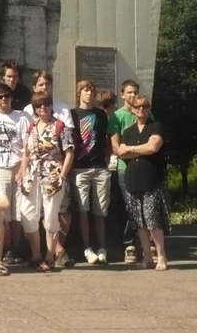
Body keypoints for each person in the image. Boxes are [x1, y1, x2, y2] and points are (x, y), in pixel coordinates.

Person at [16, 92, 74, 272]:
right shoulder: (32, 126)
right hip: (32, 176)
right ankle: (36, 255)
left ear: (51, 106)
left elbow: (69, 152)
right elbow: (27, 153)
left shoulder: (60, 126)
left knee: (50, 218)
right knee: (27, 215)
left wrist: (62, 175)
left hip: (52, 175)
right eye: (38, 105)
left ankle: (49, 257)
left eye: (46, 104)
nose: (42, 108)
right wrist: (22, 173)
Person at [114, 94, 169, 271]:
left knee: (153, 221)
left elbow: (154, 147)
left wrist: (131, 149)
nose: (141, 109)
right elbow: (121, 153)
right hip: (132, 180)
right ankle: (147, 257)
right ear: (133, 109)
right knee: (139, 222)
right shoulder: (128, 131)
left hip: (151, 179)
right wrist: (142, 149)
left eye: (145, 106)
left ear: (149, 108)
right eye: (137, 106)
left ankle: (161, 257)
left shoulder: (156, 126)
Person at [70, 80, 111, 265]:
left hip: (100, 168)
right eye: (85, 90)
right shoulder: (72, 114)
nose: (89, 93)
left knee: (101, 210)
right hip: (80, 168)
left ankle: (102, 248)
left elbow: (107, 139)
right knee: (83, 210)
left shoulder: (100, 114)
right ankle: (87, 248)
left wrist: (108, 159)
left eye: (91, 90)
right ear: (79, 93)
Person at [0, 82, 26, 265]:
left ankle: (16, 248)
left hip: (18, 165)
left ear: (11, 97)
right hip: (0, 166)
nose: (3, 100)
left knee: (18, 211)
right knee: (4, 210)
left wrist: (23, 169)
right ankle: (5, 248)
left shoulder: (21, 118)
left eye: (6, 96)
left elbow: (26, 146)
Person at [109, 79, 143, 263]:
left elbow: (153, 142)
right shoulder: (117, 116)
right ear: (122, 95)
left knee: (144, 205)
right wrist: (138, 152)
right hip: (125, 168)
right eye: (129, 92)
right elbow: (116, 147)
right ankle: (129, 244)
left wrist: (131, 150)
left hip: (143, 167)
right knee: (130, 206)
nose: (133, 95)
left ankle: (144, 243)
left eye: (135, 92)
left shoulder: (144, 112)